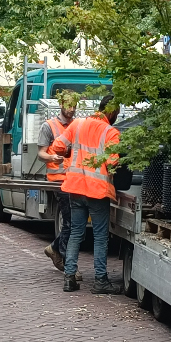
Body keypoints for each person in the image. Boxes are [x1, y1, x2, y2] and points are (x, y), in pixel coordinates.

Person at [48, 100, 123, 294]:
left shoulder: (77, 124)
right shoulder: (110, 133)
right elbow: (113, 162)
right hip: (97, 191)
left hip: (75, 188)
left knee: (75, 233)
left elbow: (57, 147)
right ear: (112, 111)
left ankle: (69, 278)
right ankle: (100, 280)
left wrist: (70, 154)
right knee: (99, 237)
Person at [39, 92, 80, 266]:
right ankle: (64, 259)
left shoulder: (78, 125)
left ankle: (55, 248)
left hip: (74, 180)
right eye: (68, 106)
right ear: (61, 105)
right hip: (58, 180)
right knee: (70, 220)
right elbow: (41, 153)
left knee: (73, 222)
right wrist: (51, 158)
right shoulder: (49, 126)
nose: (71, 110)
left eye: (74, 106)